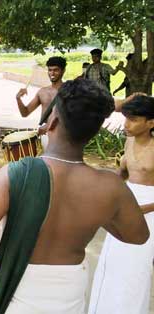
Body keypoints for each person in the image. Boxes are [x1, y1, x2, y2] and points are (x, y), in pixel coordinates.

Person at [0, 79, 149, 314]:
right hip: (70, 293)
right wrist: (100, 212)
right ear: (95, 131)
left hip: (19, 293)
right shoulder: (110, 187)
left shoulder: (15, 174)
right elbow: (138, 236)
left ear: (52, 121)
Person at [88, 95, 154, 314]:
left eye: (133, 119)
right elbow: (124, 172)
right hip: (124, 207)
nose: (126, 125)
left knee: (135, 271)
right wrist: (107, 185)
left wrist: (140, 209)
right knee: (112, 266)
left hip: (148, 216)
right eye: (126, 118)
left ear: (151, 123)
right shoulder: (129, 140)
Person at [16, 56, 66, 144]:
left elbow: (71, 116)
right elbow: (25, 113)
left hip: (63, 132)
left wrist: (47, 126)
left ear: (63, 71)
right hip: (45, 135)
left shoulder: (69, 90)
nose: (52, 73)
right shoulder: (42, 92)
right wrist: (18, 99)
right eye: (50, 70)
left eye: (56, 70)